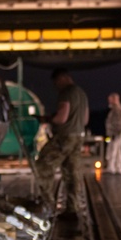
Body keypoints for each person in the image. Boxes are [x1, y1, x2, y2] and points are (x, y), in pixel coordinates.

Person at [34, 68, 89, 212]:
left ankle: (47, 204)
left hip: (64, 137)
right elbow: (85, 119)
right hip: (78, 136)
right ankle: (73, 207)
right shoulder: (81, 93)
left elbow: (61, 118)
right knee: (72, 172)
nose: (55, 86)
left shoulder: (66, 93)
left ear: (62, 78)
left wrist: (47, 119)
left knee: (43, 166)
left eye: (56, 82)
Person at [104, 92, 121, 174]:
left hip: (117, 134)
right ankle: (116, 167)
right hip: (117, 133)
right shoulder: (116, 109)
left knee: (114, 150)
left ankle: (113, 167)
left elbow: (118, 123)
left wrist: (114, 133)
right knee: (116, 150)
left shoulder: (117, 110)